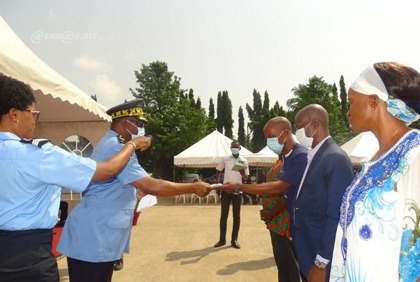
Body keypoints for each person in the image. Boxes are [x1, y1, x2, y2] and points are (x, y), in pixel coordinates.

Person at [0, 75, 150, 282]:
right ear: (14, 115)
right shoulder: (38, 156)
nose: (35, 120)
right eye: (33, 113)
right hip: (27, 255)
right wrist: (132, 145)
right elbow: (106, 171)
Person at [57, 99, 212, 282]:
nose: (141, 130)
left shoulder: (115, 145)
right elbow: (151, 185)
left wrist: (134, 192)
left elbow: (119, 186)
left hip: (96, 236)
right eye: (138, 124)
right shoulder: (118, 148)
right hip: (94, 238)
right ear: (124, 123)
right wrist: (193, 187)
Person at [329, 62, 420, 282]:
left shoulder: (414, 155)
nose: (348, 111)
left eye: (351, 102)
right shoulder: (376, 159)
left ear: (373, 101)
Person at [218, 117, 307, 281]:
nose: (269, 142)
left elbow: (281, 189)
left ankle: (233, 238)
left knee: (291, 268)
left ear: (285, 133)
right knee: (284, 266)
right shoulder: (284, 158)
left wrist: (239, 187)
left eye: (271, 137)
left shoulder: (300, 157)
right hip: (276, 222)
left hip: (285, 221)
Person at [292, 104, 354, 282]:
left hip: (321, 255)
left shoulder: (335, 158)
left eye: (299, 127)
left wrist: (322, 263)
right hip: (307, 248)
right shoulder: (314, 155)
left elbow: (337, 215)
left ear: (315, 125)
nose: (297, 132)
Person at [213, 140, 249, 249]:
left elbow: (246, 178)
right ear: (230, 148)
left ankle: (234, 240)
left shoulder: (244, 161)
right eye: (233, 147)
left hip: (238, 190)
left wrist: (243, 174)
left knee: (236, 217)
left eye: (236, 147)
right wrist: (218, 183)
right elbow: (218, 170)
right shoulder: (226, 159)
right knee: (224, 216)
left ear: (240, 148)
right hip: (226, 190)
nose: (234, 149)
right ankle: (222, 240)